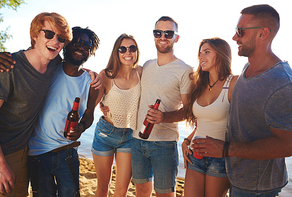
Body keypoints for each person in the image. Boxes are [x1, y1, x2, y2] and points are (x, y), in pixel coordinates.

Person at [192, 4, 292, 197]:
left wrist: (226, 149)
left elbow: (288, 144)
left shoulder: (282, 83)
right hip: (235, 176)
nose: (234, 37)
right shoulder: (248, 67)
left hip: (257, 188)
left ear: (263, 34)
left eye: (240, 32)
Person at [0, 12, 71, 197]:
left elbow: (73, 69)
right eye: (49, 34)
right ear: (35, 35)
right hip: (1, 152)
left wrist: (93, 75)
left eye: (61, 38)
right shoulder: (9, 67)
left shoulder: (54, 64)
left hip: (24, 150)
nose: (55, 41)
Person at [27, 26, 100, 197]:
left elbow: (89, 116)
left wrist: (81, 128)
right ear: (66, 44)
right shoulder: (48, 69)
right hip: (37, 153)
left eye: (87, 45)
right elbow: (28, 56)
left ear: (91, 52)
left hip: (67, 153)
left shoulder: (91, 82)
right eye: (77, 42)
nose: (81, 47)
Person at [132, 16, 192, 197]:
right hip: (137, 139)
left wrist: (163, 117)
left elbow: (189, 111)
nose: (163, 37)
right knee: (141, 190)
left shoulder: (185, 70)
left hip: (164, 144)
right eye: (158, 32)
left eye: (168, 33)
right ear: (154, 36)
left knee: (164, 194)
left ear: (176, 38)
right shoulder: (146, 66)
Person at [181, 38, 237, 197]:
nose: (201, 57)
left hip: (219, 158)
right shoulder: (199, 85)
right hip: (195, 155)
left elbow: (244, 122)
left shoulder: (233, 83)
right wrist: (186, 141)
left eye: (206, 52)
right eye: (200, 53)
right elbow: (202, 123)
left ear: (220, 55)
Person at [92, 34, 142, 197]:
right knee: (102, 188)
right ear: (116, 52)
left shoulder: (141, 72)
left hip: (129, 136)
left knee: (121, 191)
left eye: (132, 48)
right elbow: (91, 104)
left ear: (136, 51)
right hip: (105, 133)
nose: (128, 52)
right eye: (123, 49)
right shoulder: (106, 75)